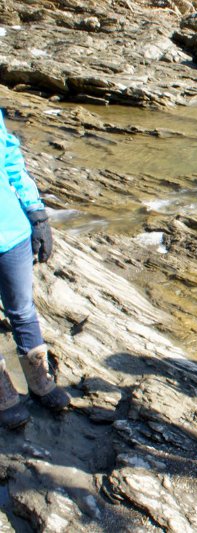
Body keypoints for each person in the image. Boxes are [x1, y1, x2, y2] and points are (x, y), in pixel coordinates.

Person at [0, 110, 71, 429]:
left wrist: (36, 212)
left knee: (23, 310)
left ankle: (41, 382)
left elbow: (12, 159)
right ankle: (3, 394)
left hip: (11, 231)